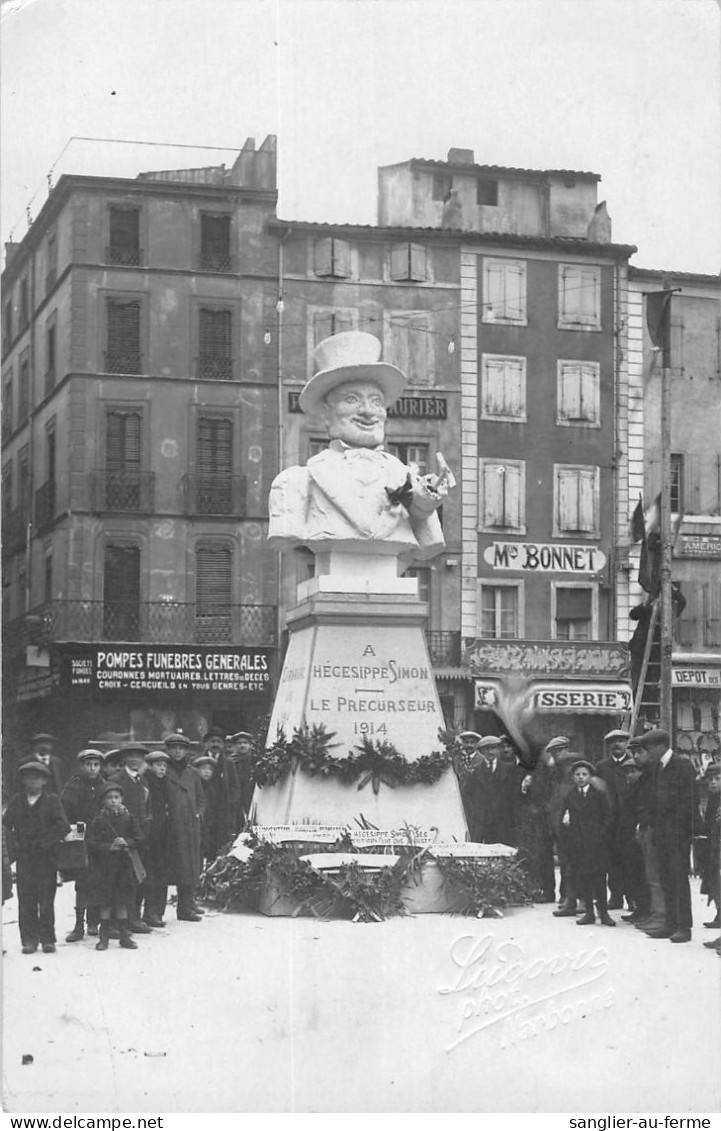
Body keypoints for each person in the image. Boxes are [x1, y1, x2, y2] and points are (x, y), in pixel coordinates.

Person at [268, 331, 449, 561]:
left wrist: (426, 501)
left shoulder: (405, 478)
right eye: (352, 399)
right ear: (326, 412)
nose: (367, 411)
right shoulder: (295, 483)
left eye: (376, 401)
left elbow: (423, 529)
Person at [3, 761, 70, 953]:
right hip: (25, 858)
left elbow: (63, 826)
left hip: (46, 858)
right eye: (29, 777)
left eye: (37, 778)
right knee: (26, 899)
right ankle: (29, 940)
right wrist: (15, 844)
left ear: (44, 781)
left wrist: (46, 842)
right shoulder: (17, 801)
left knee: (46, 899)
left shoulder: (52, 800)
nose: (33, 781)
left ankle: (47, 939)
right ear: (23, 780)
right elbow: (7, 824)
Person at [641, 728, 699, 944]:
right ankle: (671, 923)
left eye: (649, 749)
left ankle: (684, 927)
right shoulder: (657, 768)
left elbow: (689, 802)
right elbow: (654, 800)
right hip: (661, 833)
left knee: (678, 879)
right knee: (666, 878)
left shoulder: (682, 765)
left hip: (677, 834)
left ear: (660, 746)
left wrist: (682, 831)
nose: (648, 754)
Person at [85, 781, 143, 951]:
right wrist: (108, 847)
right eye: (109, 798)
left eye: (116, 797)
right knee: (106, 901)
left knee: (122, 901)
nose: (113, 801)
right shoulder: (99, 820)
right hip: (105, 867)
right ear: (103, 800)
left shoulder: (129, 818)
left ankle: (125, 936)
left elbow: (139, 837)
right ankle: (104, 937)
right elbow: (91, 842)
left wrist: (128, 842)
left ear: (122, 799)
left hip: (124, 866)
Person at [561, 760, 615, 927]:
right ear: (573, 778)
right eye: (577, 775)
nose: (581, 777)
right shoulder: (570, 796)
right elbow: (565, 818)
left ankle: (604, 913)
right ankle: (589, 913)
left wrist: (602, 836)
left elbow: (608, 818)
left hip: (596, 844)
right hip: (579, 844)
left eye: (584, 774)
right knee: (584, 878)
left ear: (591, 777)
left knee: (599, 879)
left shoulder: (598, 795)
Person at [595, 729, 644, 913]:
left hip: (629, 820)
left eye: (621, 741)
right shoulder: (602, 766)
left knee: (630, 860)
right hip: (609, 821)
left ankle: (631, 898)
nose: (617, 744)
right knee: (612, 859)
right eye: (613, 741)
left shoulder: (634, 764)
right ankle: (615, 897)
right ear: (609, 745)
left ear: (626, 744)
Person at [60, 748, 105, 941]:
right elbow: (64, 814)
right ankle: (79, 925)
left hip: (101, 841)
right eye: (89, 765)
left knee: (98, 881)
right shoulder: (72, 787)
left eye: (96, 765)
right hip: (81, 841)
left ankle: (94, 921)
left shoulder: (106, 786)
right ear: (81, 766)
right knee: (82, 883)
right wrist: (77, 830)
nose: (93, 768)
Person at [109, 743, 152, 934]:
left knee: (138, 878)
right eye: (131, 755)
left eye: (139, 756)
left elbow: (147, 806)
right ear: (124, 758)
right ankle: (118, 922)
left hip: (141, 837)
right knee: (121, 881)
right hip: (123, 839)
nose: (135, 758)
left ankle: (134, 917)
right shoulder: (116, 780)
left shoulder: (142, 780)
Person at [163, 733, 206, 922]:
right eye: (174, 748)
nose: (178, 751)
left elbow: (202, 799)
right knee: (177, 866)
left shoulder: (192, 773)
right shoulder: (164, 771)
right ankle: (180, 908)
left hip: (191, 826)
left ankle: (188, 904)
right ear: (168, 750)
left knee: (191, 865)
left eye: (181, 748)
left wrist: (199, 813)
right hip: (172, 827)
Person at [463, 735, 518, 845]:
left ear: (498, 749)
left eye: (494, 748)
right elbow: (467, 796)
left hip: (505, 821)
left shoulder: (510, 769)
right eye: (487, 749)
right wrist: (476, 814)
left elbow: (515, 795)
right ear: (481, 751)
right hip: (484, 823)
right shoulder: (475, 772)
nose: (491, 752)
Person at [142, 751, 172, 929]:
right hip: (150, 835)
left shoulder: (165, 783)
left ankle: (157, 912)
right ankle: (149, 913)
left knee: (161, 873)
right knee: (150, 875)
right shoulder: (146, 783)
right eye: (158, 765)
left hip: (163, 834)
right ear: (151, 766)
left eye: (164, 766)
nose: (162, 768)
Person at [200, 727, 240, 853]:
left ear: (223, 744)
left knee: (222, 847)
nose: (215, 744)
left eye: (218, 741)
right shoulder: (198, 762)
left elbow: (235, 787)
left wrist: (230, 806)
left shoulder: (228, 764)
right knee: (204, 845)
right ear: (206, 743)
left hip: (223, 813)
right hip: (205, 812)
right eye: (212, 741)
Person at [699, 762, 720, 952]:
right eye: (710, 780)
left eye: (717, 779)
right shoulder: (713, 800)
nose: (713, 783)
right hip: (714, 849)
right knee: (716, 886)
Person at [226, 731, 256, 828]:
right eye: (239, 743)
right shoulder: (230, 761)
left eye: (245, 743)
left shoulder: (255, 760)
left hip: (251, 794)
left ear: (250, 745)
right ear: (235, 746)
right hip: (236, 795)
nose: (242, 745)